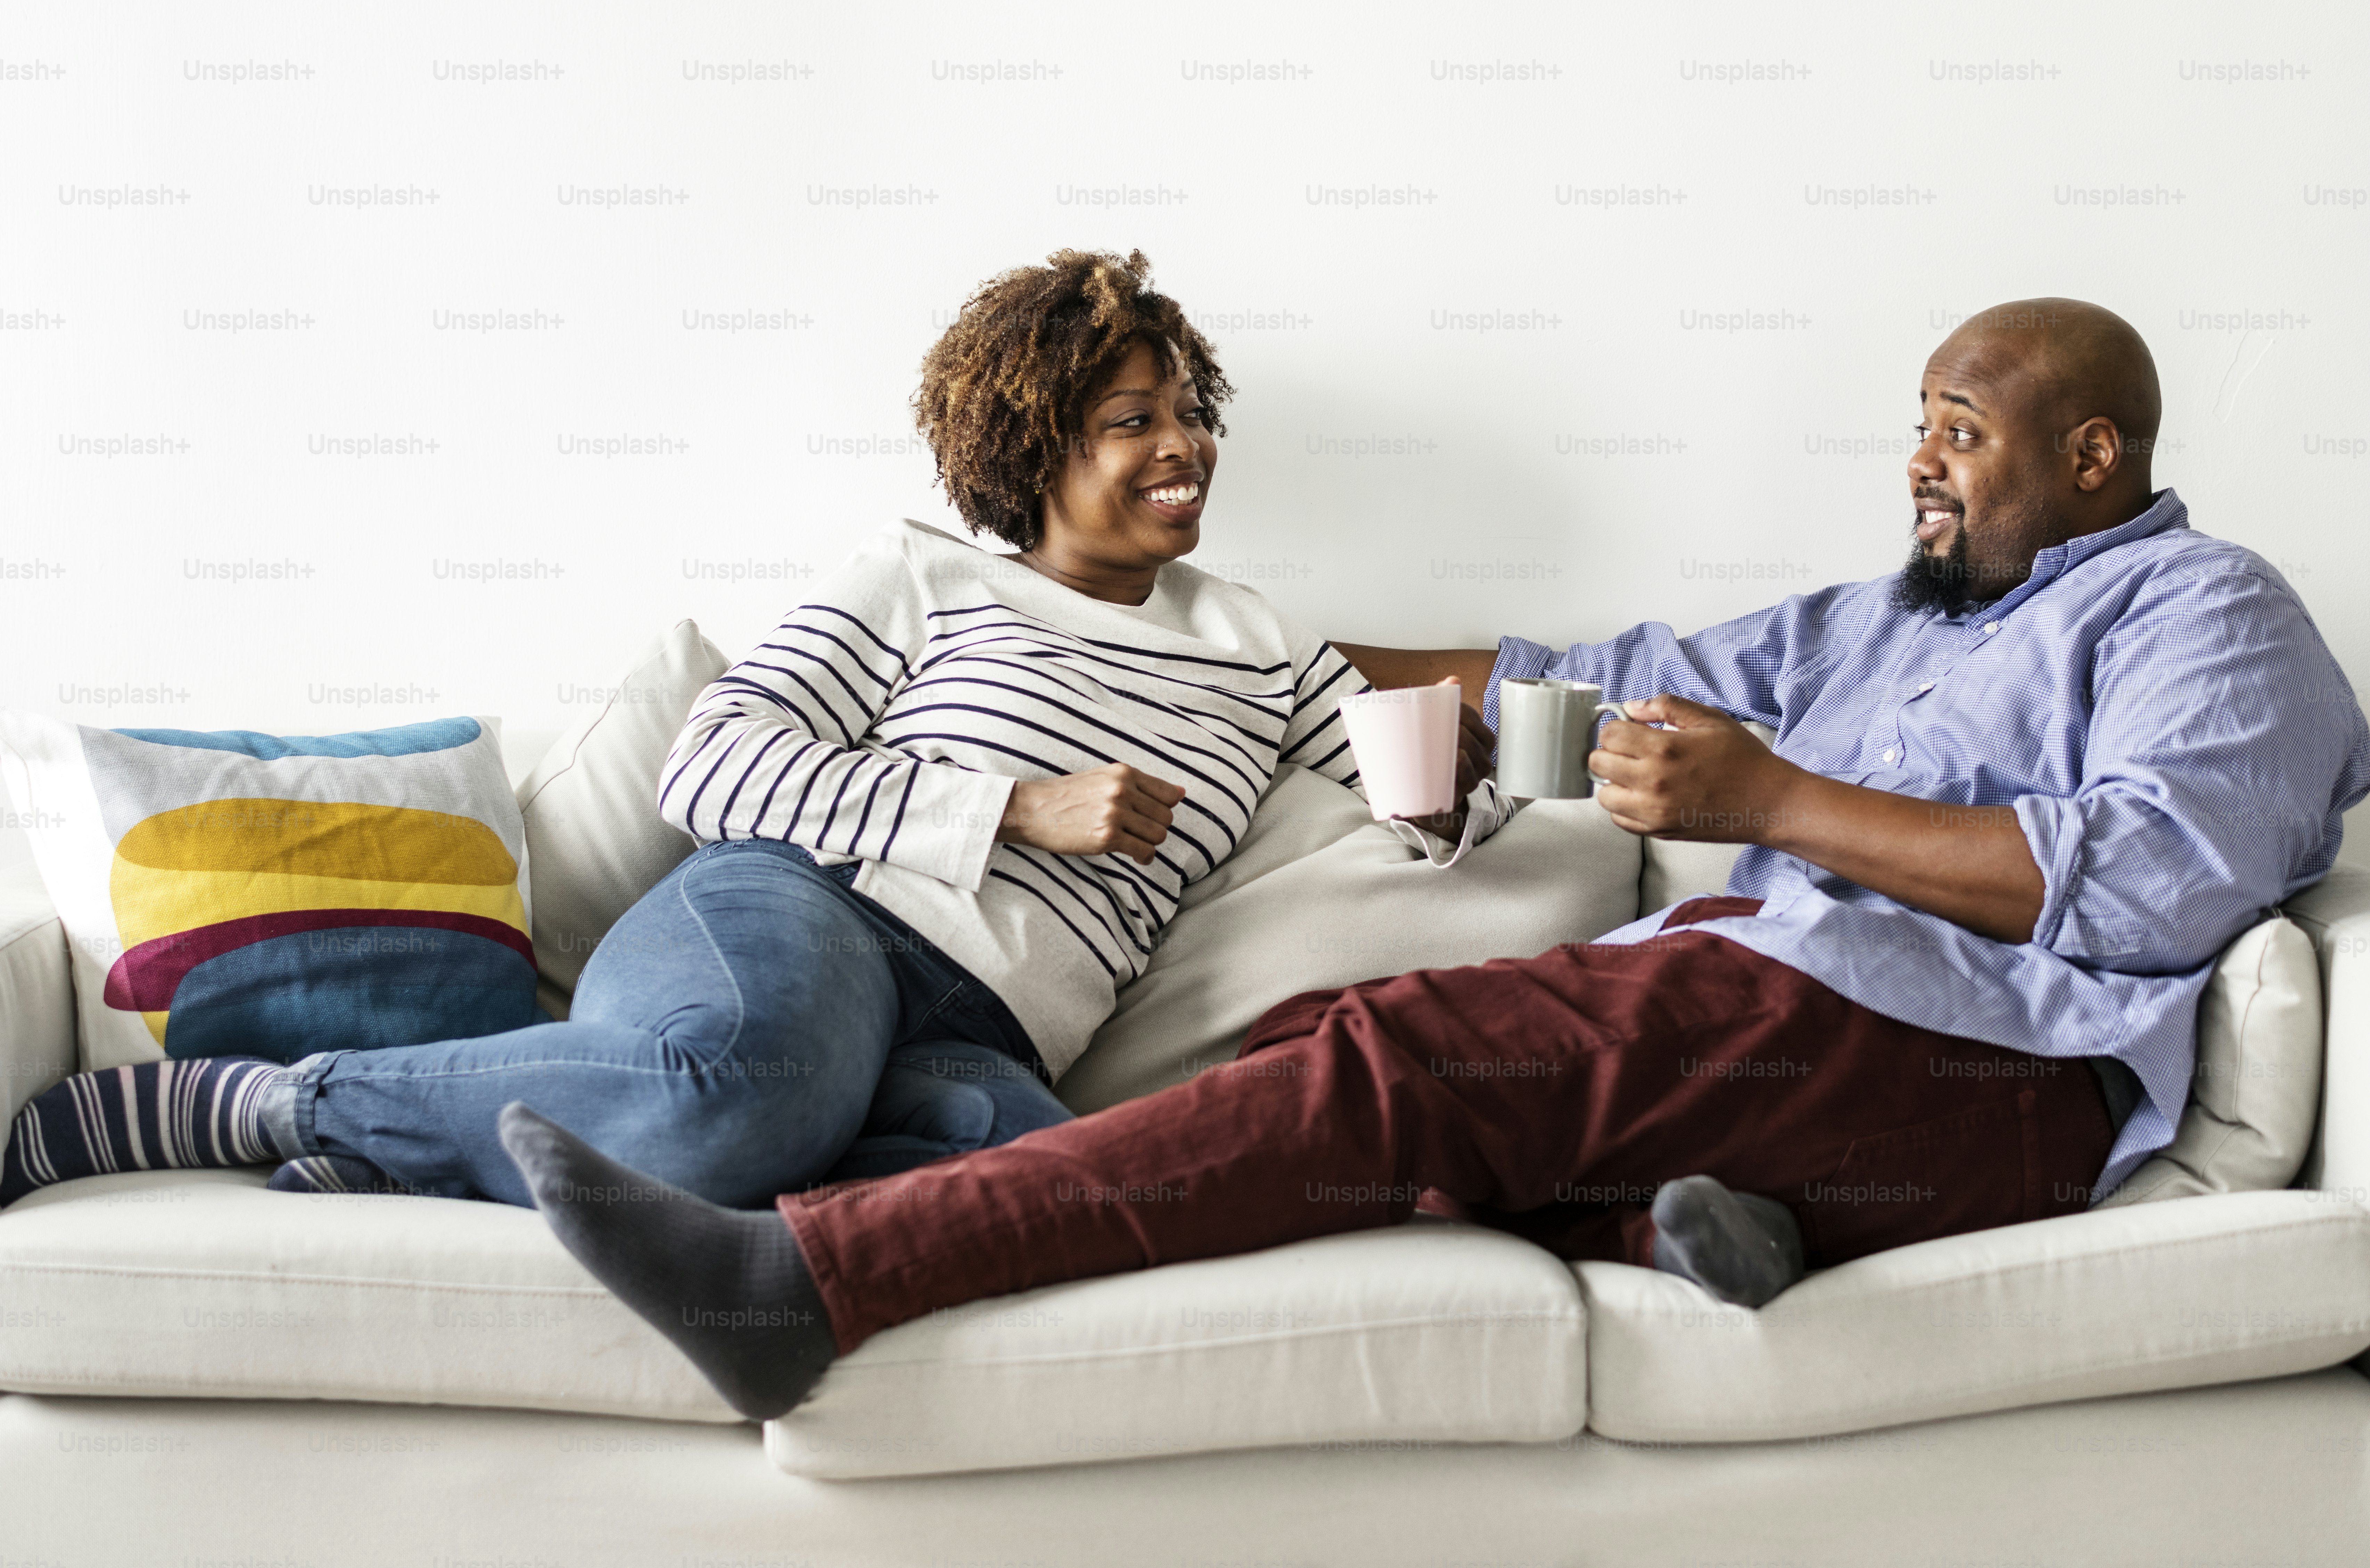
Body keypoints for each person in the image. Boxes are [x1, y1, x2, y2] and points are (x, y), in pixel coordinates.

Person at [487, 297, 2369, 1424]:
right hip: (1797, 1031)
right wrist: (1253, 652)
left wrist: (1776, 804)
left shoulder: (2210, 612)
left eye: (1961, 431)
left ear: (2098, 448)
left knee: (1394, 1065)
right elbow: (1594, 679)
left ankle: (801, 1284)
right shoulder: (1883, 618)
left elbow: (2150, 879)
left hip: (1981, 1059)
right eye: (1919, 425)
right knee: (1400, 1078)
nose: (1919, 465)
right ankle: (1698, 1220)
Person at [0, 249, 1505, 1211]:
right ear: (1036, 444)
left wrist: (1454, 806)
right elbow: (712, 765)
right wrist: (1012, 809)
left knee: (1065, 1200)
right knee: (738, 1092)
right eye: (1130, 419)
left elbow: (1407, 786)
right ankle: (264, 1098)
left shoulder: (1267, 647)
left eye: (1186, 410)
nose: (1181, 445)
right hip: (802, 917)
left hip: (993, 1028)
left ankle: (445, 1157)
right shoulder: (924, 576)